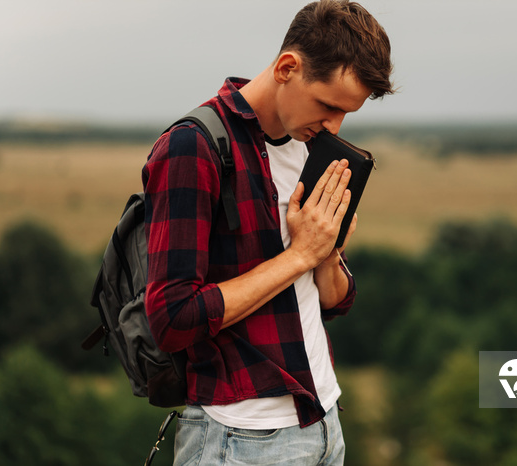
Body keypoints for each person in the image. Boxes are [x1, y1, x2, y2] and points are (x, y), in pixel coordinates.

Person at [141, 1, 394, 464]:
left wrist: (325, 254)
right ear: (287, 67)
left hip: (324, 420)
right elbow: (172, 318)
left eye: (346, 114)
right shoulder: (192, 146)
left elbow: (334, 302)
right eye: (328, 106)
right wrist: (299, 255)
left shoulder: (308, 146)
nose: (334, 127)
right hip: (240, 437)